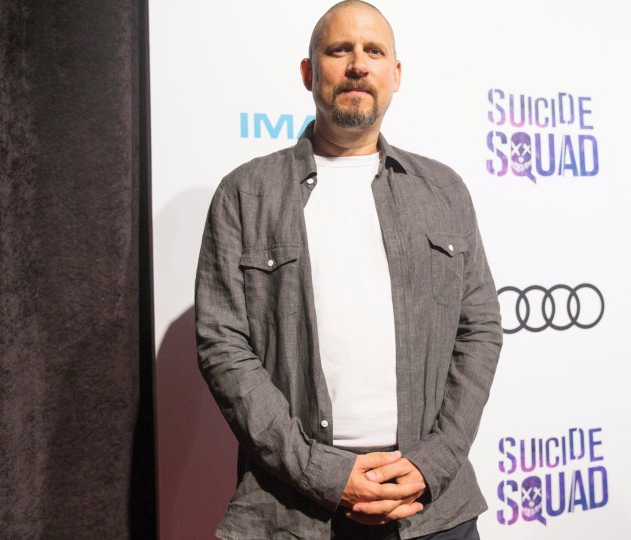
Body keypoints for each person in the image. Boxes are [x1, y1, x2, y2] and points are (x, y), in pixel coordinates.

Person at [194, 1, 502, 538]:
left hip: (433, 509)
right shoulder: (245, 194)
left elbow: (480, 330)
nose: (358, 64)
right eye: (340, 50)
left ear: (395, 74)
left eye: (373, 51)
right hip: (291, 510)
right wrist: (325, 474)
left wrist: (433, 463)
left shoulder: (443, 190)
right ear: (308, 72)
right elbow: (223, 345)